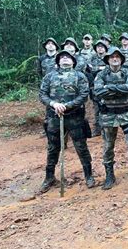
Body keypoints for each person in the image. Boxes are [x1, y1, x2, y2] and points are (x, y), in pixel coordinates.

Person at [93, 47, 128, 189]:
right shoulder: (101, 74)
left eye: (117, 56)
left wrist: (110, 88)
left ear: (121, 59)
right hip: (108, 115)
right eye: (112, 56)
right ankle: (109, 175)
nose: (115, 58)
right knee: (108, 146)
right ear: (107, 59)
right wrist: (119, 89)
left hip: (127, 114)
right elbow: (98, 91)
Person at [39, 50, 94, 193]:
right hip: (54, 117)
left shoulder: (79, 76)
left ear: (73, 61)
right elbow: (42, 94)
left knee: (81, 146)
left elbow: (84, 95)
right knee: (53, 147)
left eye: (68, 57)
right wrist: (53, 104)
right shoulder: (49, 76)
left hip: (75, 117)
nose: (65, 59)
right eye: (62, 57)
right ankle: (49, 177)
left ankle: (88, 175)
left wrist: (67, 106)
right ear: (57, 61)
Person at [90, 40, 108, 136]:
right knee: (97, 109)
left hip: (106, 87)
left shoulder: (109, 58)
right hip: (95, 87)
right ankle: (97, 129)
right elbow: (89, 71)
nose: (100, 48)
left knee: (106, 108)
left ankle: (107, 128)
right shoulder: (92, 58)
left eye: (102, 46)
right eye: (98, 47)